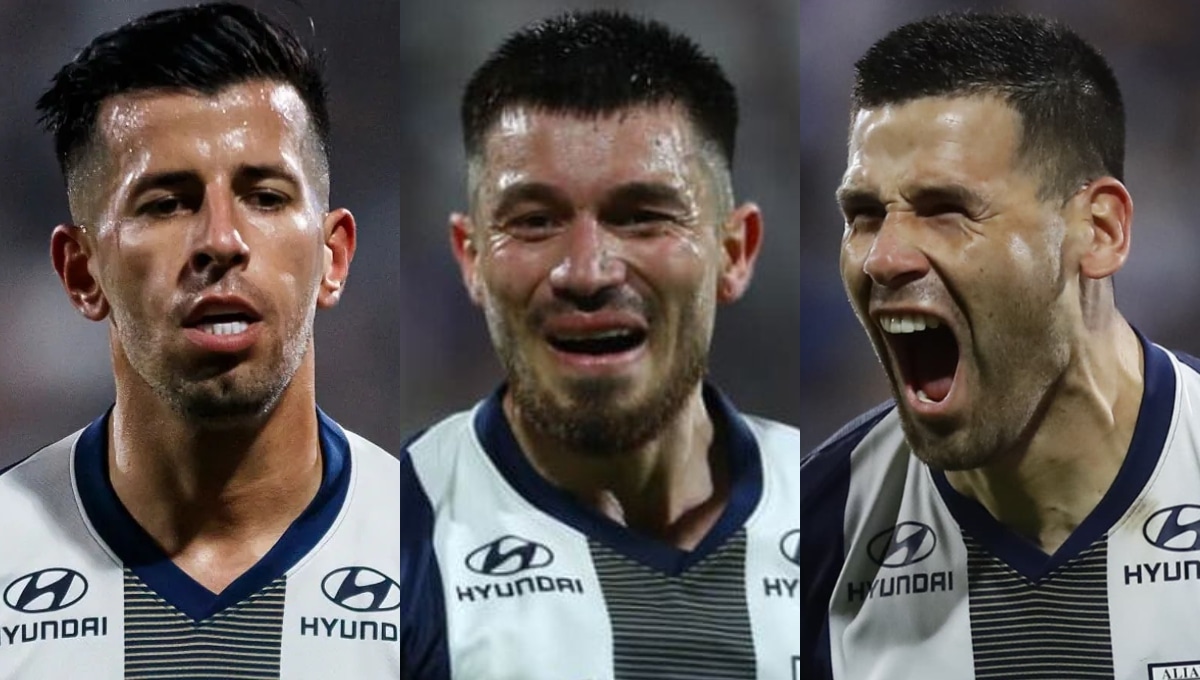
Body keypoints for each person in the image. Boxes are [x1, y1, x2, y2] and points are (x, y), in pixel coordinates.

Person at [0, 4, 399, 677]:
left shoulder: (439, 560)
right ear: (80, 272)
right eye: (165, 202)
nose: (221, 240)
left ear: (334, 257)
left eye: (266, 197)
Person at [400, 9, 800, 679]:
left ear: (734, 251)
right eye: (534, 221)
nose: (586, 271)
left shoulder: (844, 521)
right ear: (470, 258)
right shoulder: (390, 537)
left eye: (641, 217)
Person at [801, 10, 1200, 679]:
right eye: (863, 215)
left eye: (946, 209)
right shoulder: (818, 528)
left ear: (1099, 231)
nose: (883, 258)